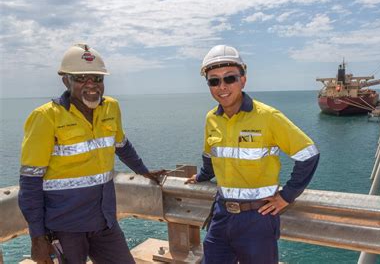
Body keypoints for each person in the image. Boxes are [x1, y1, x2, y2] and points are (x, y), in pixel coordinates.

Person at [19, 43, 165, 263]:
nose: (91, 85)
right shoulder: (46, 117)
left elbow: (122, 145)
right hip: (65, 227)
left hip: (104, 221)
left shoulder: (111, 108)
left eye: (97, 78)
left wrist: (144, 171)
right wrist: (37, 237)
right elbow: (30, 181)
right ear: (66, 80)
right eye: (81, 78)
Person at [185, 45, 320, 264]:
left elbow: (309, 154)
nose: (222, 87)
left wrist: (287, 196)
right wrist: (202, 176)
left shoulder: (268, 117)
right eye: (214, 80)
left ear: (243, 80)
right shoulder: (212, 118)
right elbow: (210, 154)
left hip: (257, 219)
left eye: (230, 78)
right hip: (221, 214)